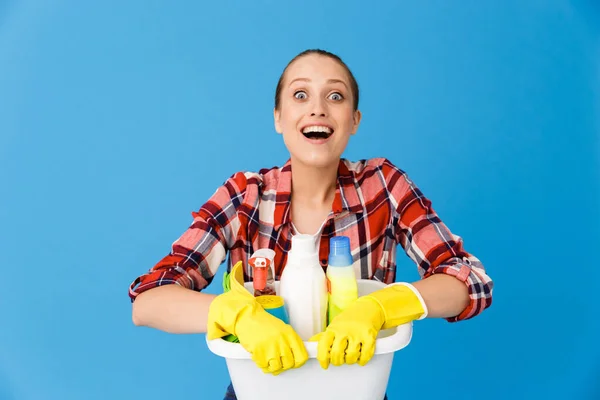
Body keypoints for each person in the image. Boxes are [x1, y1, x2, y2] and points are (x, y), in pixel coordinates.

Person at [128, 49, 494, 399]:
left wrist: (383, 305)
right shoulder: (244, 197)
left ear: (354, 120)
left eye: (335, 96)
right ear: (278, 117)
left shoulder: (383, 186)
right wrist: (235, 314)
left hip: (357, 390)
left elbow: (471, 282)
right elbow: (149, 301)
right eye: (300, 94)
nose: (318, 109)